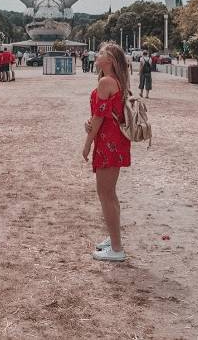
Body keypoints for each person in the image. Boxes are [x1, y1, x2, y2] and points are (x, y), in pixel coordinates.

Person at [83, 42, 131, 262]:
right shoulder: (116, 81)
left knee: (105, 194)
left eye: (101, 53)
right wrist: (91, 123)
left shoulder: (105, 81)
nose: (96, 55)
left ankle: (117, 248)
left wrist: (86, 144)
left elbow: (100, 118)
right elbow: (101, 114)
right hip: (115, 141)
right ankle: (113, 239)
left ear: (110, 60)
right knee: (110, 194)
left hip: (108, 143)